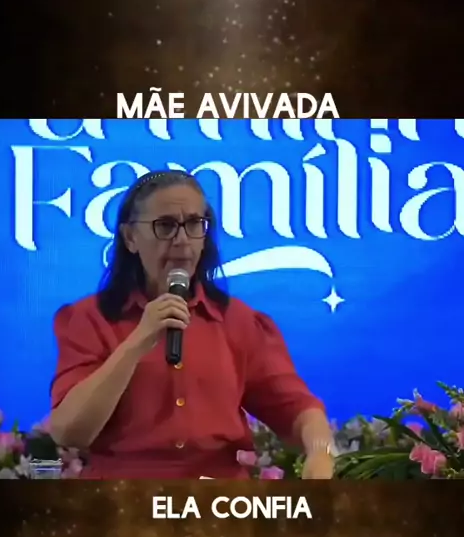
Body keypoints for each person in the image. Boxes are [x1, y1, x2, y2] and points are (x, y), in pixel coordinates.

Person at [49, 170, 335, 479]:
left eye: (195, 224)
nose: (182, 240)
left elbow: (296, 408)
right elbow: (69, 432)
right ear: (130, 237)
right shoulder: (89, 319)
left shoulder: (238, 321)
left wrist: (321, 451)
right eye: (165, 226)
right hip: (123, 498)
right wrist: (137, 342)